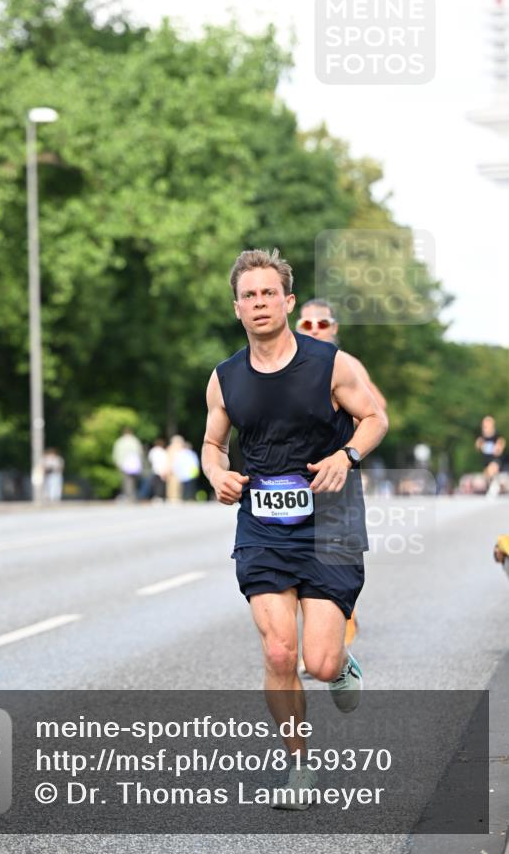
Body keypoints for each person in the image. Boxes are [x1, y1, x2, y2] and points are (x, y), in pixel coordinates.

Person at [202, 248, 388, 808]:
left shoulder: (331, 364)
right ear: (237, 308)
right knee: (281, 653)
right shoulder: (225, 377)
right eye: (248, 295)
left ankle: (341, 665)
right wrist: (217, 474)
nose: (259, 303)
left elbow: (375, 417)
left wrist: (347, 457)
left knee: (320, 661)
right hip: (263, 523)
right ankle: (299, 766)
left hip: (330, 520)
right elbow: (212, 444)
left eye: (268, 293)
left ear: (286, 301)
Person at [296, 298, 388, 647]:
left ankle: (341, 629)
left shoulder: (345, 363)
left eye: (322, 324)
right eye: (307, 325)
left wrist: (345, 445)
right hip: (297, 475)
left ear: (334, 328)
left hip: (338, 469)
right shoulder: (288, 362)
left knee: (335, 557)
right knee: (296, 559)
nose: (315, 330)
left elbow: (376, 410)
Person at [475, 416, 506, 496]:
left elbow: (500, 446)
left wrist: (497, 448)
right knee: (486, 475)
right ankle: (498, 485)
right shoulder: (482, 437)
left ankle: (495, 487)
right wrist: (480, 445)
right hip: (486, 461)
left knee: (492, 468)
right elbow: (477, 446)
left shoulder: (497, 436)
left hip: (496, 460)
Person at [112, 427, 143, 501]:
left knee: (126, 480)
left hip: (124, 463)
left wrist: (117, 462)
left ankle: (128, 495)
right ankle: (133, 495)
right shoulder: (135, 440)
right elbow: (140, 452)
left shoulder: (120, 441)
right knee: (133, 480)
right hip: (134, 463)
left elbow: (116, 453)